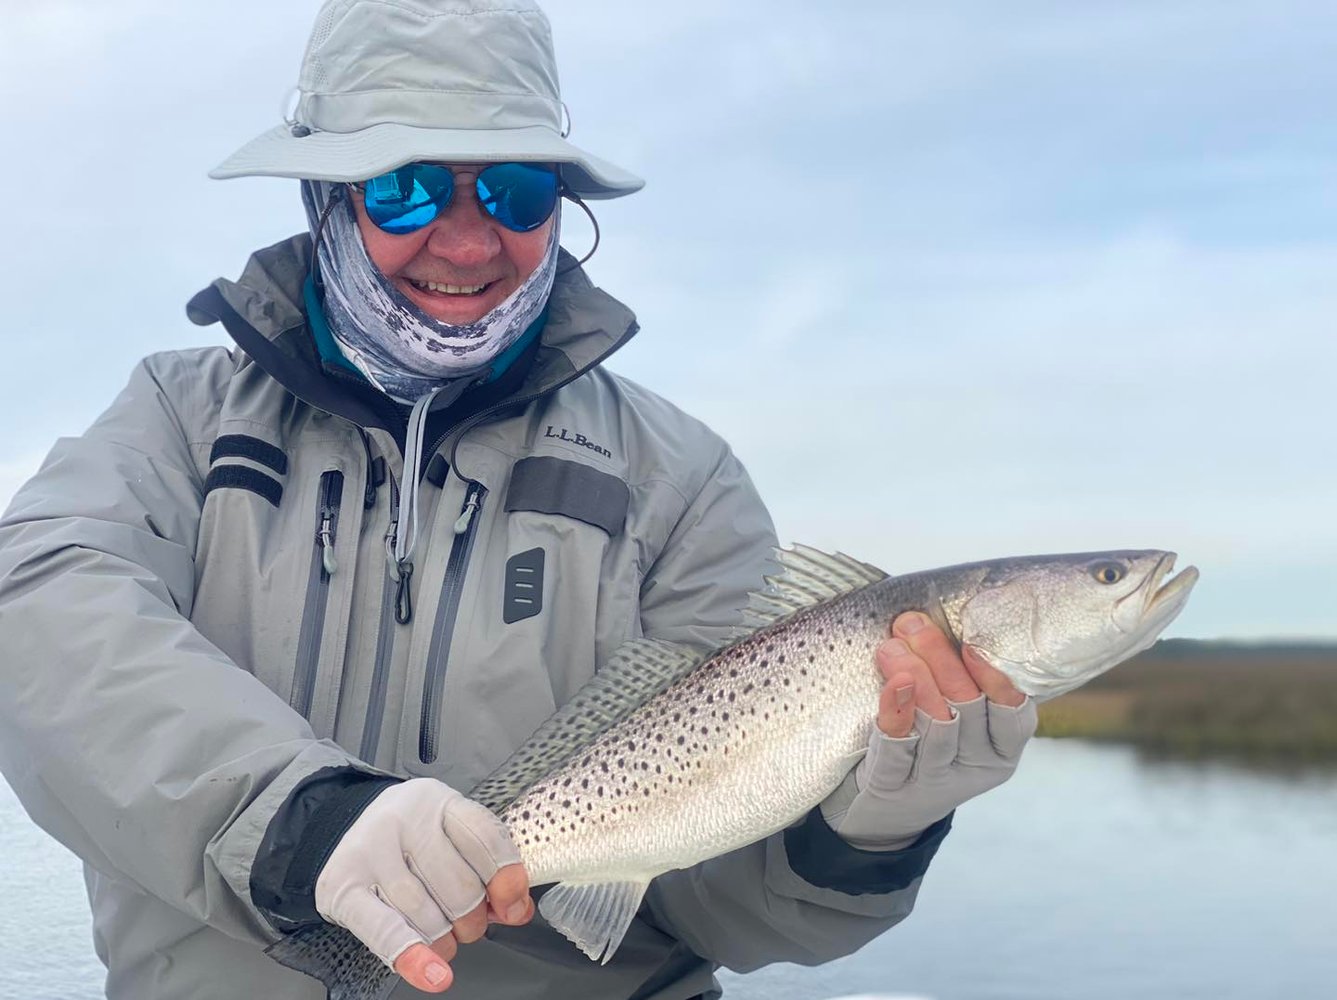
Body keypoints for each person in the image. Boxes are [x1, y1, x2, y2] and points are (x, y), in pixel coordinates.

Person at [0, 2, 1037, 998]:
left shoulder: (677, 477)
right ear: (324, 199)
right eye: (404, 188)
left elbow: (728, 915)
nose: (466, 241)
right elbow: (37, 606)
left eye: (514, 193)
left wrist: (864, 830)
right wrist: (297, 822)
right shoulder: (179, 418)